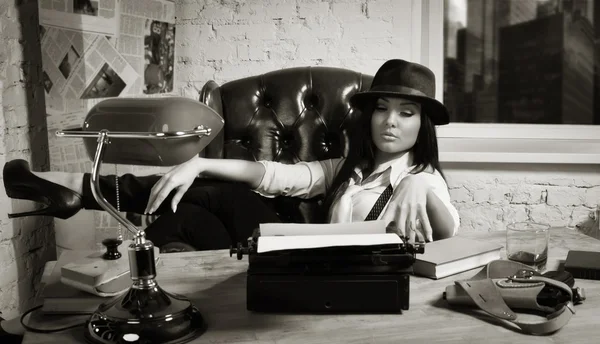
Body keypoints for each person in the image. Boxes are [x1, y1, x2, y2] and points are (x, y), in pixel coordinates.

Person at [1, 58, 460, 341]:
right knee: (194, 207)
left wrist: (421, 185)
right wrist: (198, 163)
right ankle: (137, 302)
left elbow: (451, 230)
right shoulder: (347, 169)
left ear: (424, 124)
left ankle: (80, 193)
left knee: (217, 199)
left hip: (348, 284)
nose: (391, 122)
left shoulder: (424, 182)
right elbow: (273, 175)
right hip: (299, 265)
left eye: (407, 112)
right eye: (382, 108)